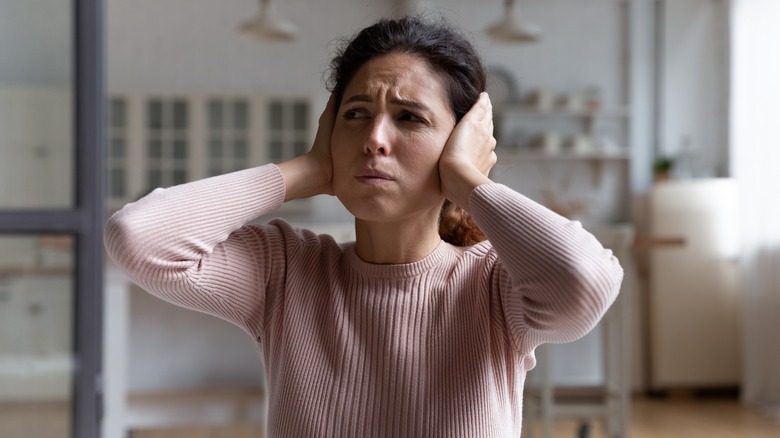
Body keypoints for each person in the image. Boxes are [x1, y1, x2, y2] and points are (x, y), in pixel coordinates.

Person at [104, 16, 623, 437]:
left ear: (459, 144)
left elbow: (585, 285)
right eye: (355, 114)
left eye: (409, 117)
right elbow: (137, 238)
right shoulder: (287, 271)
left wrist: (466, 181)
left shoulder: (493, 286)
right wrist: (307, 169)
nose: (374, 137)